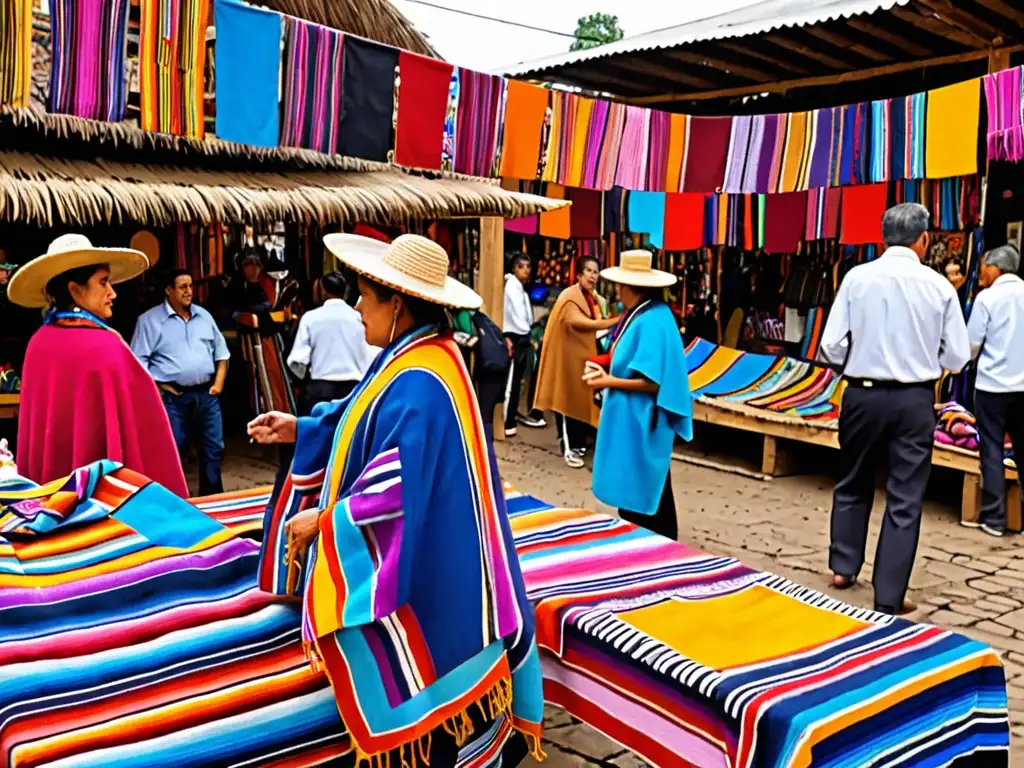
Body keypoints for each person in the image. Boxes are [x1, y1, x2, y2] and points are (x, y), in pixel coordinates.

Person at [248, 234, 543, 768]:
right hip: (448, 547)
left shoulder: (421, 380)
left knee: (432, 709)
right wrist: (300, 428)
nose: (358, 309)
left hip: (435, 568)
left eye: (365, 297)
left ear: (398, 304)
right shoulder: (421, 355)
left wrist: (326, 520)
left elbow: (397, 492)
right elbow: (359, 411)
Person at [818, 203, 970, 615]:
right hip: (913, 400)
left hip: (862, 394)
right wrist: (926, 359)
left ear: (883, 238)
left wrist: (861, 360)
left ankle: (843, 567)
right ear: (924, 240)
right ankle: (888, 594)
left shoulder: (857, 278)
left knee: (852, 478)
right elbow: (957, 356)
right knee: (905, 495)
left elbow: (830, 345)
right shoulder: (939, 287)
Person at [9, 234, 188, 496]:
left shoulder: (37, 344)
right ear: (75, 290)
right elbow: (147, 433)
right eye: (103, 282)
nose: (112, 292)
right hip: (100, 503)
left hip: (49, 500)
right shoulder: (107, 347)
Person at [586, 251, 693, 541]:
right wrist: (603, 367)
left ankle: (657, 550)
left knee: (645, 495)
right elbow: (628, 358)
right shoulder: (645, 313)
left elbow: (652, 382)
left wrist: (608, 381)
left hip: (643, 419)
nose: (616, 289)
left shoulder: (652, 320)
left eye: (620, 284)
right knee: (644, 490)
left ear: (631, 287)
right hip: (632, 417)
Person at [131, 268, 230, 496]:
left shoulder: (204, 316)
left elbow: (222, 353)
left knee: (214, 448)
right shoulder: (149, 321)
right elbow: (137, 362)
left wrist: (218, 384)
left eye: (191, 286)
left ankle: (212, 499)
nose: (189, 291)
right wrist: (157, 387)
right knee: (175, 449)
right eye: (182, 287)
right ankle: (176, 499)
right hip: (173, 398)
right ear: (169, 290)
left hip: (207, 395)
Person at [534, 256, 618, 468]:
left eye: (595, 272)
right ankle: (568, 448)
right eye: (588, 271)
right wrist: (614, 321)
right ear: (579, 275)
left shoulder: (592, 298)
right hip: (565, 360)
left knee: (581, 400)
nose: (592, 276)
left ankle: (579, 444)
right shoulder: (569, 296)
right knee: (564, 401)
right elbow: (577, 322)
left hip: (581, 359)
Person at [966, 244, 1024, 537]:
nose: (982, 273)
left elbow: (972, 343)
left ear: (995, 268)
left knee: (991, 448)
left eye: (984, 267)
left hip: (992, 385)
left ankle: (995, 518)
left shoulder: (987, 298)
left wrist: (963, 362)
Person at [287, 268, 379, 415]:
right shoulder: (359, 317)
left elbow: (297, 360)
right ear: (345, 291)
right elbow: (373, 354)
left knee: (316, 428)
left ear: (323, 291)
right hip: (353, 390)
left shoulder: (311, 318)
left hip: (320, 390)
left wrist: (303, 380)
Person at [503, 253, 544, 436]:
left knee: (517, 380)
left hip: (521, 335)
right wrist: (527, 334)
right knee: (513, 381)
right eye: (521, 266)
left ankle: (511, 418)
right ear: (514, 269)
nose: (526, 270)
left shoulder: (519, 287)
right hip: (516, 336)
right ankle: (508, 421)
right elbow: (518, 316)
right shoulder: (512, 287)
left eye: (528, 266)